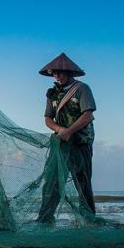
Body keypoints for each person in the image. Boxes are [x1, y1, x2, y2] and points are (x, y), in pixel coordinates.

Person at [37, 53, 97, 222]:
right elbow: (47, 119)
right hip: (60, 144)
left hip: (80, 143)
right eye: (54, 73)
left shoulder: (82, 89)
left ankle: (88, 219)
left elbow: (88, 115)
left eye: (61, 72)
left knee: (82, 183)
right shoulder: (52, 94)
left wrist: (69, 131)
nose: (57, 75)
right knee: (52, 182)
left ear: (70, 73)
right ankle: (45, 218)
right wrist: (59, 129)